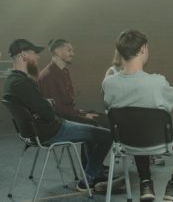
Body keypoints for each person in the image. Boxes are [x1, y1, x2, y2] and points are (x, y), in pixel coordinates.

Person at [2, 39, 124, 192]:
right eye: (34, 53)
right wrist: (48, 104)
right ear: (23, 55)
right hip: (52, 130)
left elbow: (36, 106)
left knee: (93, 129)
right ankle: (89, 178)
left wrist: (45, 103)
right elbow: (47, 112)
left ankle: (95, 172)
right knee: (106, 136)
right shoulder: (24, 83)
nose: (37, 57)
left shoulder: (12, 82)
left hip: (36, 132)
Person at [102, 30, 173, 202]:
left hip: (126, 142)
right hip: (160, 141)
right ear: (142, 49)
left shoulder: (108, 83)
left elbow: (108, 106)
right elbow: (167, 106)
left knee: (136, 130)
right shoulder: (158, 82)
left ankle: (146, 184)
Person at [38, 39, 108, 128]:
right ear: (57, 51)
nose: (73, 54)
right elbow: (58, 110)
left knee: (105, 118)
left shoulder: (63, 72)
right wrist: (83, 115)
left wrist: (81, 113)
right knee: (100, 123)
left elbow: (65, 106)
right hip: (62, 122)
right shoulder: (48, 75)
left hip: (69, 115)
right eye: (69, 50)